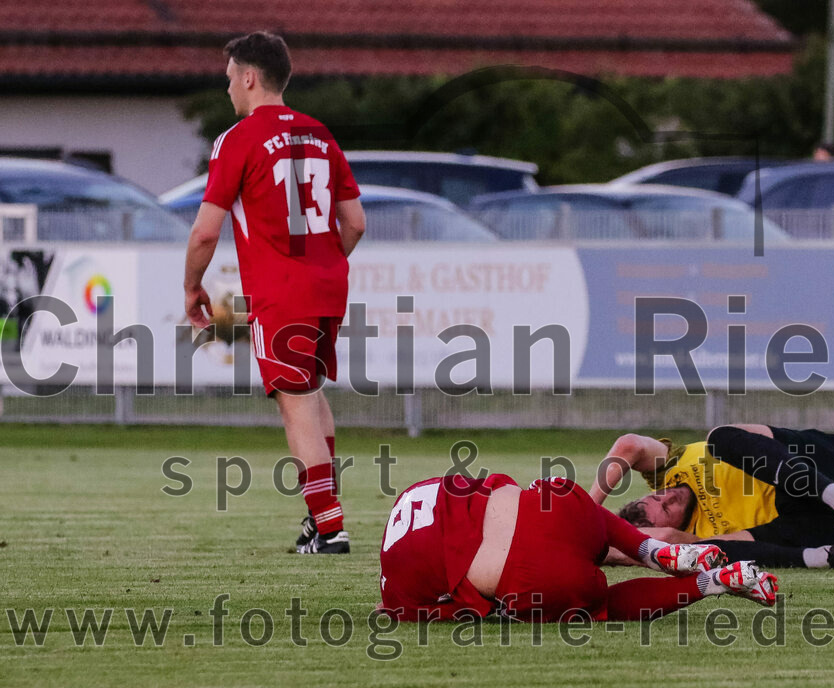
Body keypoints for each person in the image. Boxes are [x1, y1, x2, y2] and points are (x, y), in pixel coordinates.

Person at [184, 32, 365, 554]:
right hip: (328, 287)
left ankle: (329, 527)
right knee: (309, 392)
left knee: (295, 402)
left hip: (282, 293)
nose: (228, 91)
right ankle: (320, 520)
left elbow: (203, 232)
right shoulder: (320, 133)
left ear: (248, 77)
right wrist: (324, 266)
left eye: (229, 80)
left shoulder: (237, 139)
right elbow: (354, 221)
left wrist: (192, 286)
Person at [378, 473, 779, 622]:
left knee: (604, 604)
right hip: (561, 512)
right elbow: (500, 484)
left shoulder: (395, 589)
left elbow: (461, 612)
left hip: (535, 575)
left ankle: (714, 582)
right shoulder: (416, 492)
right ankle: (655, 550)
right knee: (566, 507)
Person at [589, 425, 834, 570]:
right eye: (667, 509)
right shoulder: (695, 538)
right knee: (722, 550)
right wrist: (600, 547)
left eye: (655, 498)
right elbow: (665, 539)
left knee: (720, 437)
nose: (667, 498)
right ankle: (825, 557)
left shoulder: (669, 467)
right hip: (830, 527)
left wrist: (585, 513)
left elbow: (629, 445)